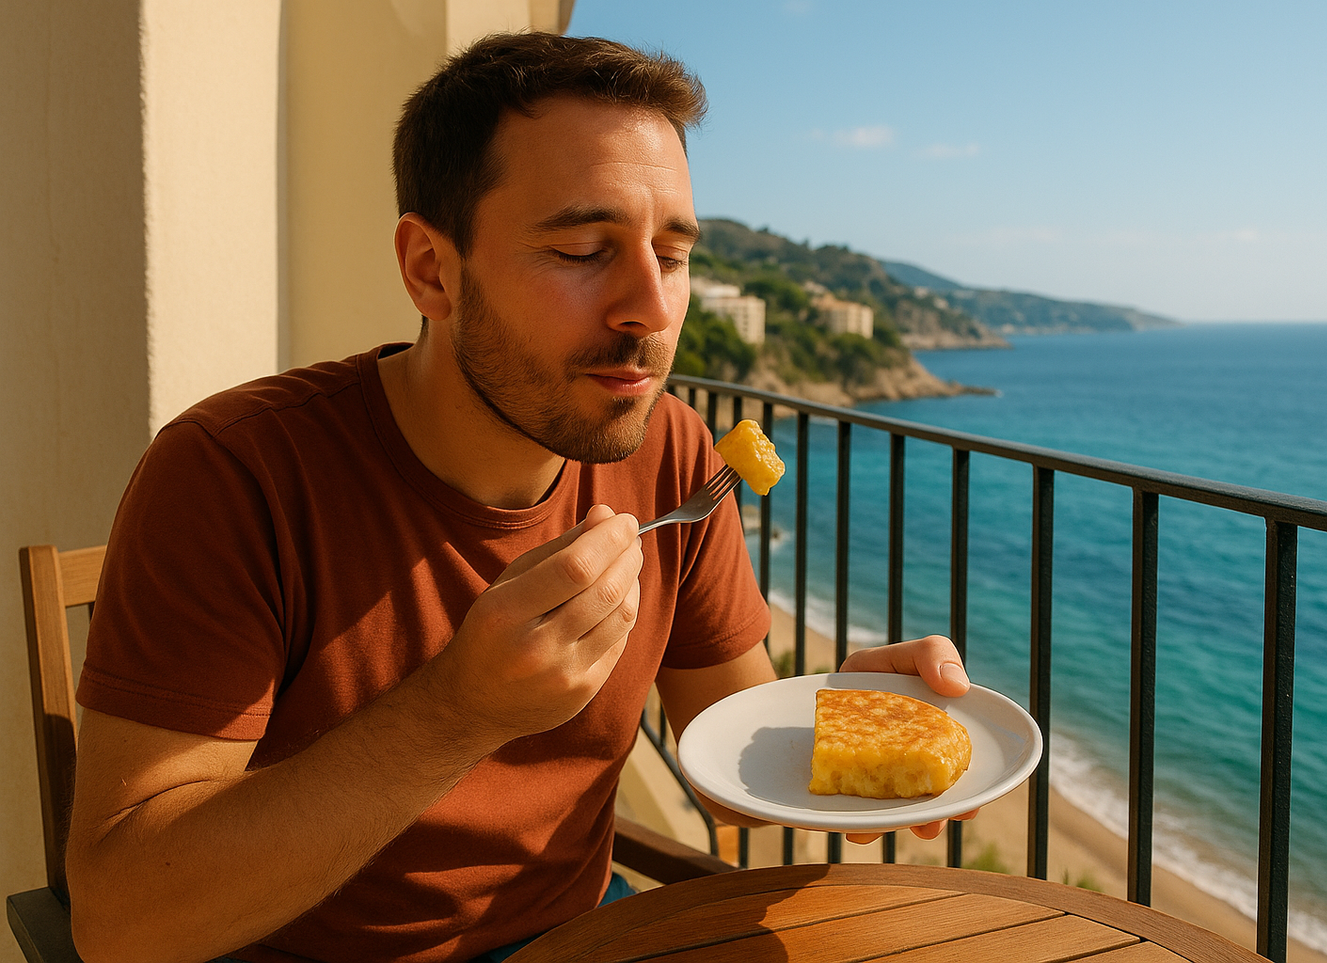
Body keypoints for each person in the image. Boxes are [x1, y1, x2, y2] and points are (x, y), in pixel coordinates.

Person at [64, 32, 973, 963]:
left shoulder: (675, 455)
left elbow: (728, 764)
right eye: (583, 248)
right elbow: (121, 920)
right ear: (431, 270)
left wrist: (852, 716)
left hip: (584, 935)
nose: (650, 310)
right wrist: (457, 711)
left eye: (672, 254)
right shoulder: (233, 475)